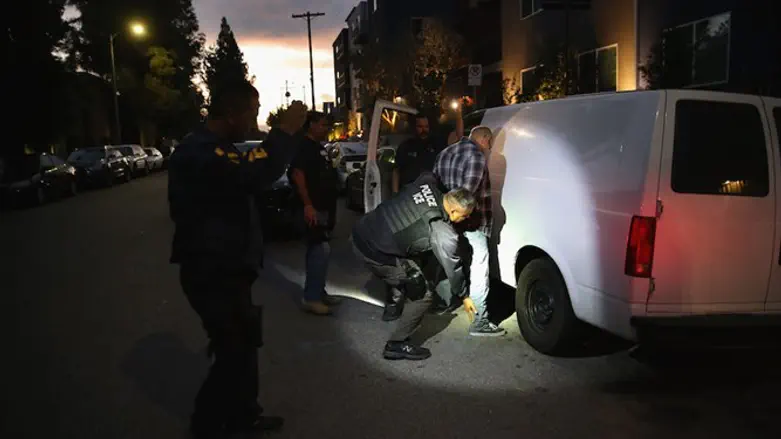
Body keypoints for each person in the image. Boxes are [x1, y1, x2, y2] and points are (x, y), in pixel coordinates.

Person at [168, 81, 306, 439]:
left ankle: (245, 416)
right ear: (232, 113)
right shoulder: (197, 151)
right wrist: (285, 132)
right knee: (232, 353)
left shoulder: (218, 148)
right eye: (253, 111)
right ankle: (206, 428)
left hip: (230, 268)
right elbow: (250, 173)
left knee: (244, 346)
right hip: (210, 271)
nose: (254, 119)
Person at [352, 172, 479, 360]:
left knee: (411, 260)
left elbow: (429, 175)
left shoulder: (426, 185)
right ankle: (396, 344)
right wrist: (464, 295)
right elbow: (453, 266)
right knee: (423, 293)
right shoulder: (442, 232)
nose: (465, 220)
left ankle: (394, 305)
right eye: (464, 216)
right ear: (453, 212)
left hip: (362, 229)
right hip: (372, 251)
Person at [434, 126, 507, 337]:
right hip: (471, 221)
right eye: (490, 143)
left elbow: (438, 187)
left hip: (448, 217)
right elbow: (467, 198)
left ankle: (442, 302)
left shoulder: (445, 152)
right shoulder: (476, 157)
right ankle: (479, 320)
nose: (491, 148)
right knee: (479, 264)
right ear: (484, 139)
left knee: (448, 257)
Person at [289, 111, 342, 315]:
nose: (326, 129)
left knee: (321, 250)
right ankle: (311, 297)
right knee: (319, 250)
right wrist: (308, 205)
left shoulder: (317, 147)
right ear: (311, 125)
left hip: (323, 208)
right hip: (314, 208)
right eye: (322, 125)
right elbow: (298, 174)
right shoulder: (304, 147)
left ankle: (319, 292)